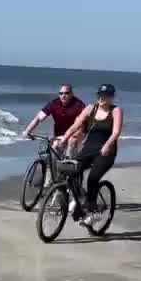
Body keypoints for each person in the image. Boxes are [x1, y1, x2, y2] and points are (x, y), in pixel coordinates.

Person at [55, 83, 122, 224]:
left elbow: (116, 132)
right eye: (100, 95)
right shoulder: (90, 109)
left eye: (106, 95)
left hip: (106, 151)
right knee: (71, 170)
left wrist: (108, 145)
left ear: (112, 97)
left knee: (92, 178)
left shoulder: (116, 111)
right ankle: (79, 200)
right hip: (89, 149)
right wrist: (64, 138)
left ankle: (93, 211)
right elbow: (75, 125)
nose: (103, 98)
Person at [22, 84, 86, 155]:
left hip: (75, 134)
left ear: (71, 94)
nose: (63, 95)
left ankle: (71, 164)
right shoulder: (54, 104)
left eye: (66, 93)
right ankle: (54, 165)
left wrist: (70, 136)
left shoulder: (79, 105)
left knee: (71, 143)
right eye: (61, 93)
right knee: (55, 146)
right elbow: (38, 118)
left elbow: (83, 124)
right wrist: (27, 131)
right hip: (59, 134)